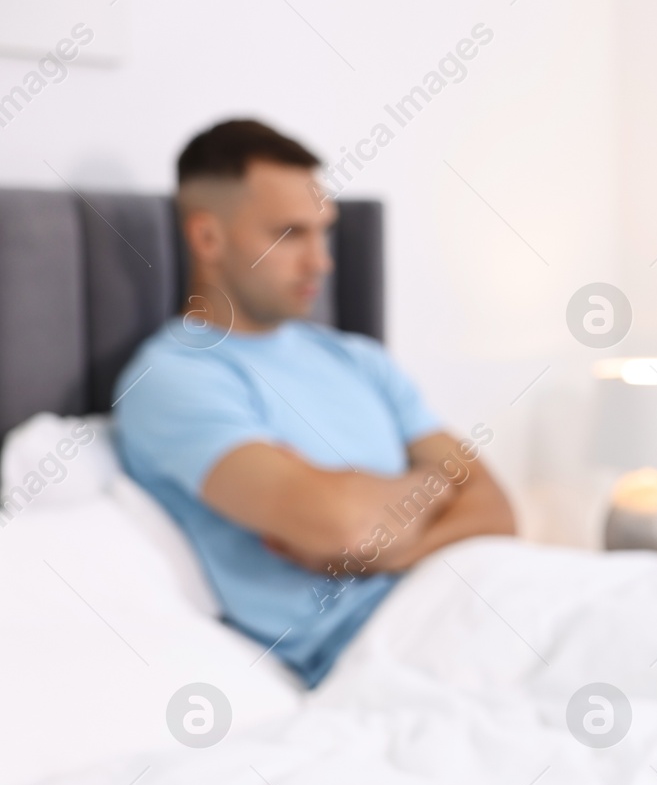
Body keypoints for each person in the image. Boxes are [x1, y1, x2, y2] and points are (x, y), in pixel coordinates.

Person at [114, 118, 515, 688]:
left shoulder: (356, 358)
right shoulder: (174, 378)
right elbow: (347, 527)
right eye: (289, 235)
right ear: (208, 239)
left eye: (323, 231)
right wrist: (436, 485)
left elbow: (498, 508)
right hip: (399, 641)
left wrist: (395, 550)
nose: (320, 262)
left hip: (487, 587)